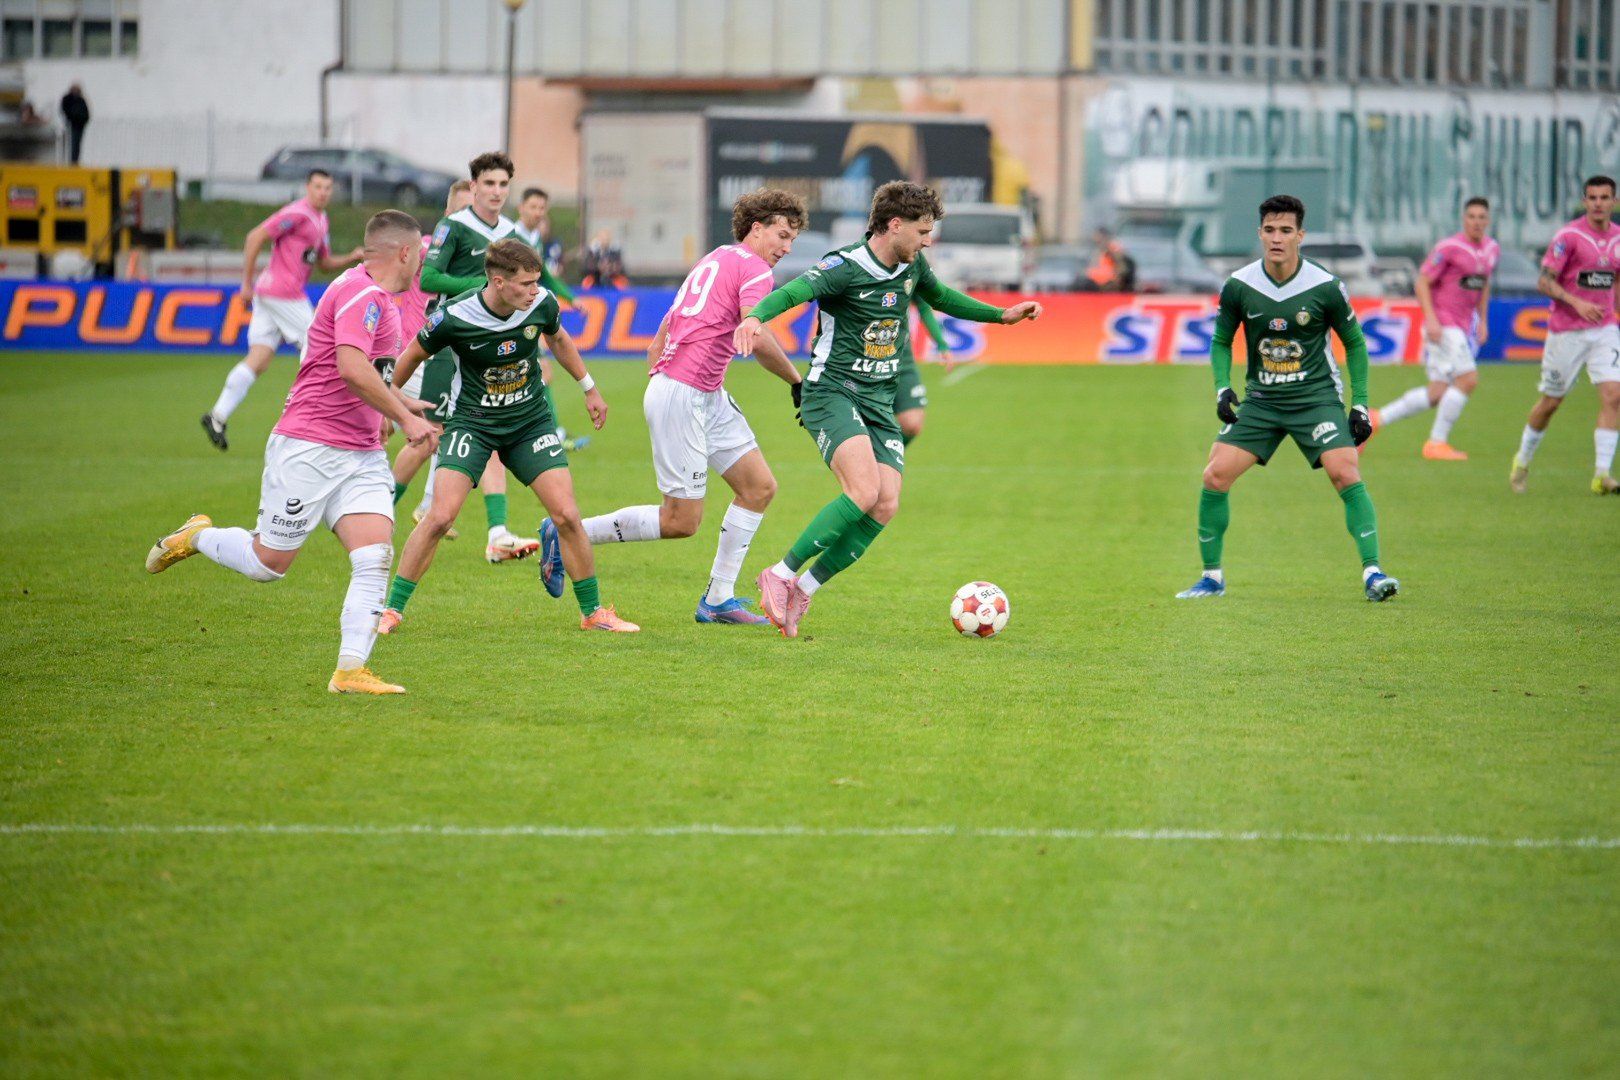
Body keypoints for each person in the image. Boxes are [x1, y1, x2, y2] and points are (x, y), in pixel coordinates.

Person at [145, 210, 440, 694]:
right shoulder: (360, 294)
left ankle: (350, 670)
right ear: (405, 253)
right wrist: (406, 419)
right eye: (421, 258)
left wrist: (399, 404)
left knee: (374, 555)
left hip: (361, 454)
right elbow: (350, 367)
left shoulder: (383, 301)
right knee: (267, 564)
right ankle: (198, 536)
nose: (423, 268)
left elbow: (370, 373)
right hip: (310, 447)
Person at [734, 181, 1043, 638]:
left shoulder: (912, 265)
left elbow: (942, 298)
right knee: (862, 491)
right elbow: (793, 291)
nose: (928, 241)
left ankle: (806, 588)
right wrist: (755, 316)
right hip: (833, 391)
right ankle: (780, 574)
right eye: (922, 231)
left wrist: (1001, 315)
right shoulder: (844, 266)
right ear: (895, 224)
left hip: (879, 399)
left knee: (885, 504)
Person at [566, 189, 809, 625]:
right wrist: (796, 380)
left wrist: (665, 363)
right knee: (681, 521)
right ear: (757, 229)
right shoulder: (755, 269)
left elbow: (666, 325)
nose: (787, 247)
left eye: (792, 240)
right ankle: (569, 532)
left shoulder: (717, 257)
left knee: (758, 487)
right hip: (684, 393)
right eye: (783, 235)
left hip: (702, 392)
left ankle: (717, 599)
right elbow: (755, 332)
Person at [382, 240, 638, 633]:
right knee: (440, 517)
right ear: (499, 282)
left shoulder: (542, 303)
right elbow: (411, 356)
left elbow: (559, 339)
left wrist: (589, 388)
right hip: (473, 424)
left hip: (529, 423)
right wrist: (390, 408)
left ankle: (593, 613)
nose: (536, 290)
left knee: (567, 515)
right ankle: (391, 611)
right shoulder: (454, 315)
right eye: (527, 283)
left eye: (537, 281)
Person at [1175, 194, 1399, 603]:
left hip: (1315, 398)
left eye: (1285, 230)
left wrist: (1360, 403)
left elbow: (1355, 343)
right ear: (1260, 233)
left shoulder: (1325, 286)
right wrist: (1222, 387)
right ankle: (1211, 578)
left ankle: (1373, 572)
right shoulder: (1240, 285)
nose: (1277, 238)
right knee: (1215, 476)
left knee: (1345, 472)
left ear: (1300, 235)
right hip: (1262, 401)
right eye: (1270, 230)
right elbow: (1221, 340)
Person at [420, 150, 539, 560]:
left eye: (503, 184)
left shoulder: (512, 234)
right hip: (449, 342)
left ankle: (497, 531)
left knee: (488, 429)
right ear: (473, 186)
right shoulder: (453, 226)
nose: (497, 191)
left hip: (488, 347)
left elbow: (535, 282)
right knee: (426, 438)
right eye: (489, 183)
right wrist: (485, 288)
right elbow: (429, 278)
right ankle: (388, 506)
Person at [202, 169, 363, 450]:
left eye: (327, 187)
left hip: (271, 294)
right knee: (322, 346)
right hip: (283, 293)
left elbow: (324, 263)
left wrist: (351, 257)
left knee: (259, 358)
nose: (323, 192)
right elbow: (255, 237)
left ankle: (218, 416)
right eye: (318, 186)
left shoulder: (321, 219)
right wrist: (245, 283)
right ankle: (314, 415)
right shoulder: (297, 213)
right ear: (307, 187)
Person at [1509, 175, 1620, 495]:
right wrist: (1577, 302)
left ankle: (1602, 474)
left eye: (1604, 197)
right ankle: (1522, 460)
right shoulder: (1568, 237)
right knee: (1551, 402)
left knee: (1614, 394)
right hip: (1567, 332)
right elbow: (1544, 282)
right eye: (1592, 198)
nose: (1598, 203)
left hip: (1604, 329)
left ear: (1614, 201)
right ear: (1584, 202)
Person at [1369, 197, 1497, 459]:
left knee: (1437, 391)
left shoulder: (1491, 249)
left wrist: (1482, 320)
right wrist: (1431, 319)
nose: (1476, 222)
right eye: (1471, 216)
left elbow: (1483, 284)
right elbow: (1422, 282)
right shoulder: (1449, 248)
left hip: (1462, 325)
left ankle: (1376, 419)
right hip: (1444, 323)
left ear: (1488, 220)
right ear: (1464, 219)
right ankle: (1437, 443)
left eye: (1481, 217)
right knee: (1468, 379)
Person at [391, 180, 472, 540]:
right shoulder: (426, 249)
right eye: (461, 210)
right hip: (414, 355)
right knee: (426, 437)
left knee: (440, 434)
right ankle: (380, 507)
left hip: (440, 356)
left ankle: (422, 505)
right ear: (447, 213)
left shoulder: (471, 255)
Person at [60, 84, 89, 163]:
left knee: (76, 144)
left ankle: (74, 161)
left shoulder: (81, 100)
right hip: (71, 125)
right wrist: (71, 118)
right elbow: (64, 110)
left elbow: (86, 113)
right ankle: (70, 161)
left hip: (79, 126)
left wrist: (82, 120)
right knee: (70, 144)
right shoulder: (68, 99)